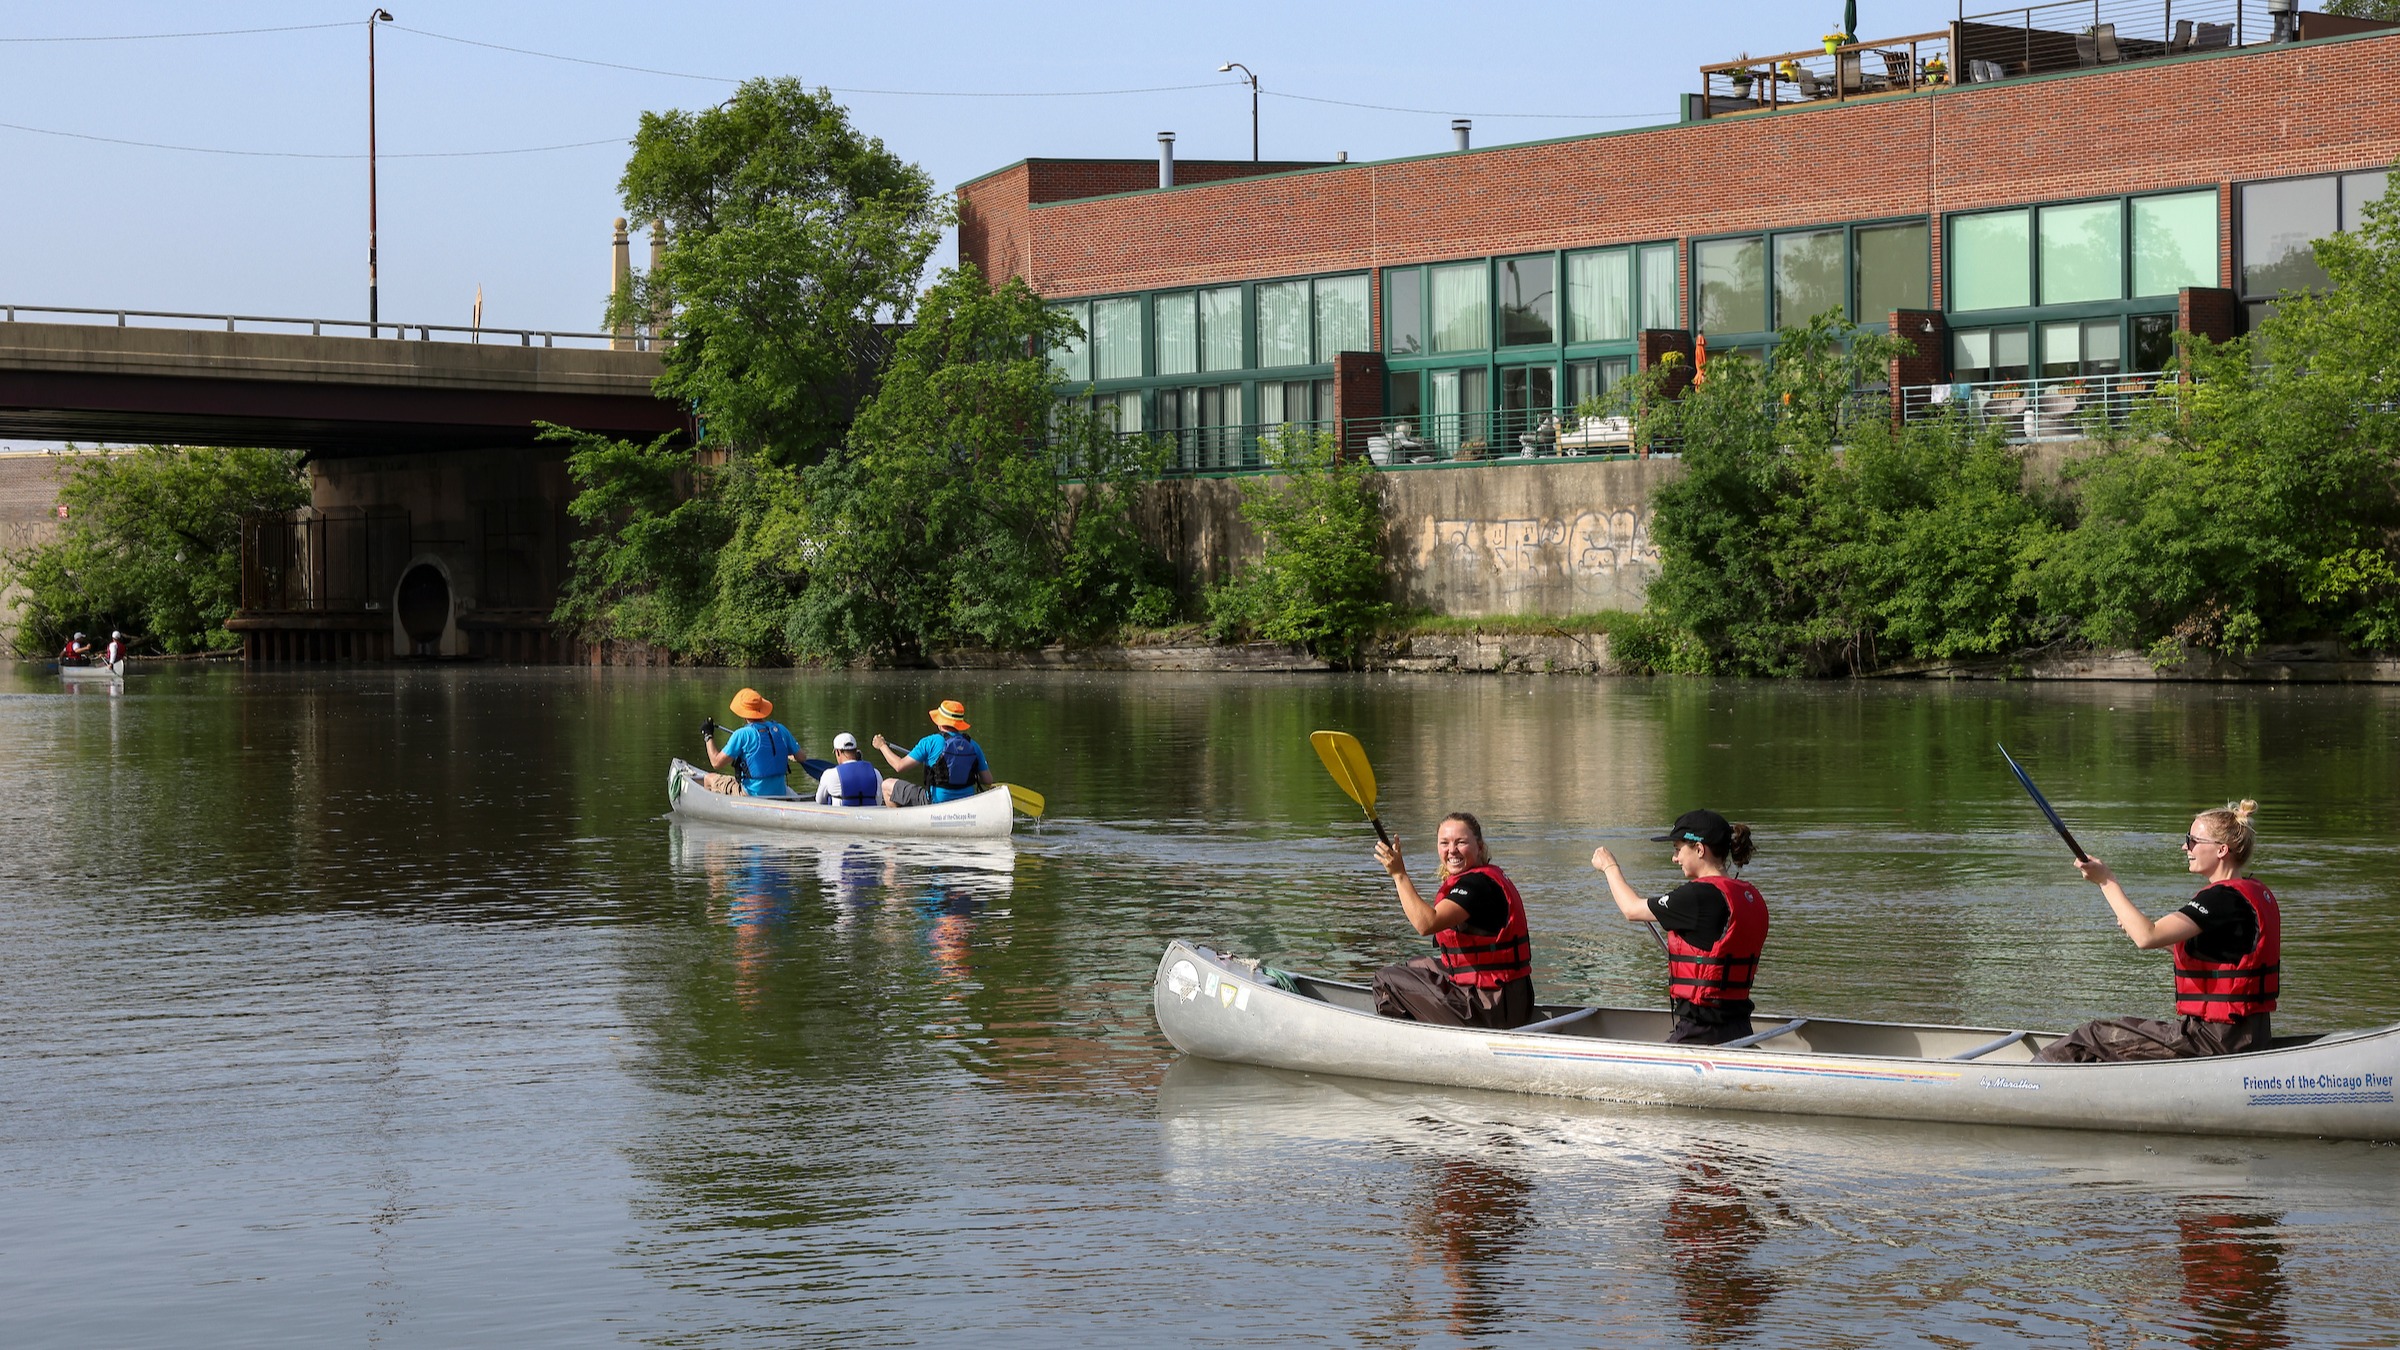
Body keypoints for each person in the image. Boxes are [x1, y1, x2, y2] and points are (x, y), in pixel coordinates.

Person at [2035, 800, 2279, 1063]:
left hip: (2213, 1040)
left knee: (2090, 1037)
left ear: (2221, 850)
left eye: (2193, 840)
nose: (2186, 846)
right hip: (2250, 1035)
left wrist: (2105, 880)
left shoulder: (2221, 899)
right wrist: (2137, 926)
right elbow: (2200, 950)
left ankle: (2021, 1083)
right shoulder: (2249, 894)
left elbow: (2146, 937)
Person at [1591, 809, 1768, 1046]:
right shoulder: (1749, 896)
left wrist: (1609, 867)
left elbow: (1631, 909)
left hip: (1700, 1030)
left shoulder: (1698, 895)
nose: (1675, 858)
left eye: (1677, 849)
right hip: (1740, 1026)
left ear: (1699, 849)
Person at [1369, 812, 1537, 1030]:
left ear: (1479, 846)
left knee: (1386, 979)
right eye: (1444, 843)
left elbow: (1426, 924)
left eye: (1461, 842)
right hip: (1512, 999)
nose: (1452, 850)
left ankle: (1411, 1042)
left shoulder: (1477, 886)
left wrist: (1399, 875)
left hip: (1493, 1007)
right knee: (1416, 965)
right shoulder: (1482, 878)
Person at [873, 699, 991, 808]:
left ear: (939, 722)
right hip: (965, 801)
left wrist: (882, 746)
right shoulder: (973, 745)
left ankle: (900, 824)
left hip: (936, 802)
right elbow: (987, 780)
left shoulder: (930, 742)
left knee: (887, 785)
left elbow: (899, 766)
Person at [703, 688, 806, 798]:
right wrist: (788, 754)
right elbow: (802, 757)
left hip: (752, 794)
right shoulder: (781, 729)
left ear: (743, 713)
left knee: (709, 778)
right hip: (779, 792)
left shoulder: (742, 734)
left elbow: (716, 763)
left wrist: (708, 735)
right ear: (762, 709)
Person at [814, 733, 883, 806]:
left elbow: (819, 800)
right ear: (856, 750)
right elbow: (878, 802)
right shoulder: (876, 773)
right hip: (869, 815)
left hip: (841, 816)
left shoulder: (830, 774)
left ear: (838, 752)